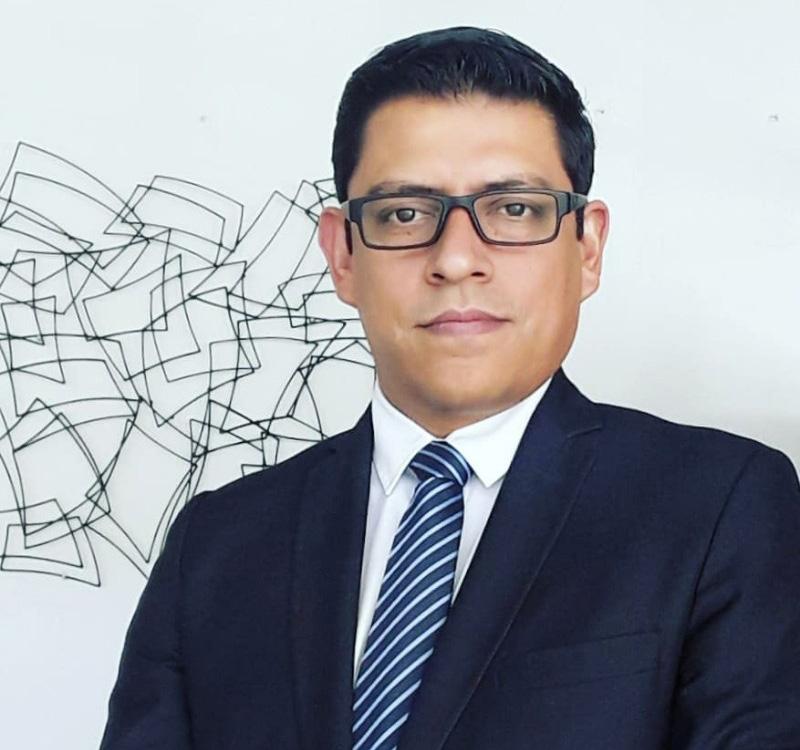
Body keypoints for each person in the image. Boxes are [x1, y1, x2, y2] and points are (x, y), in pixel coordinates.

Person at [100, 26, 800, 750]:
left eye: (515, 209)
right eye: (405, 214)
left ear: (587, 247)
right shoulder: (217, 544)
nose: (457, 259)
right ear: (343, 254)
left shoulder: (719, 507)